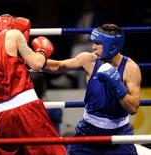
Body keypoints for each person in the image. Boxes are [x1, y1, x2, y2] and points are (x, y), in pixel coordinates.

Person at [0, 14, 66, 155]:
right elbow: (37, 64)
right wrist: (42, 51)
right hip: (26, 108)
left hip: (1, 116)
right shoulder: (13, 35)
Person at [44, 24, 141, 154]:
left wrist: (117, 85)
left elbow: (133, 108)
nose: (93, 47)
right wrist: (32, 58)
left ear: (112, 46)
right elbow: (58, 66)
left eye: (97, 43)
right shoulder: (88, 60)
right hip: (88, 131)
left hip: (119, 133)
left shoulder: (130, 69)